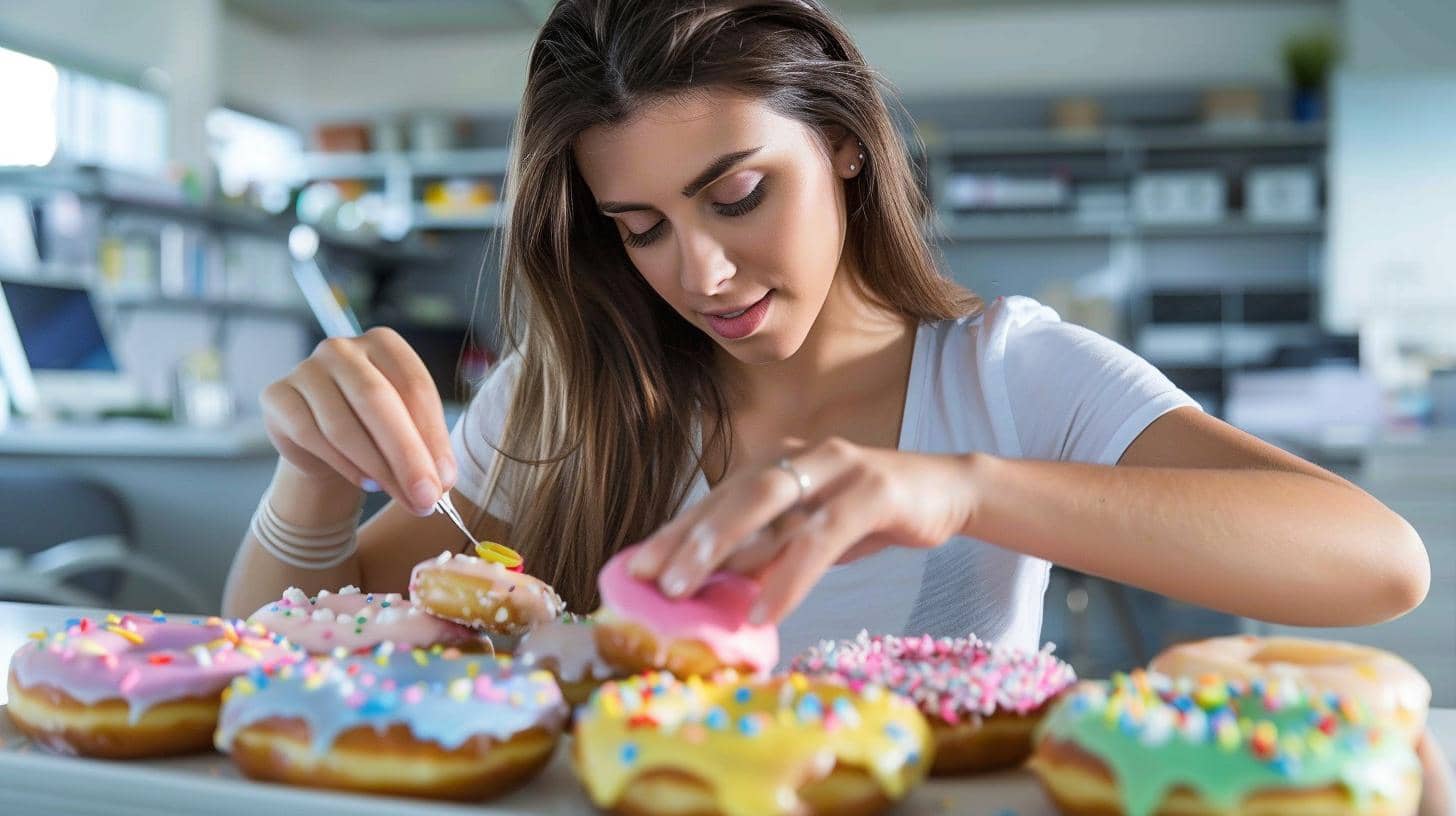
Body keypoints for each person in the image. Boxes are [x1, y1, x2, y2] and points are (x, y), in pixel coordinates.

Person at [223, 0, 1427, 667]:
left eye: (738, 195)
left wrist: (959, 491)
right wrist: (312, 483)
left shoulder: (1002, 371)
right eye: (638, 227)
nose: (697, 271)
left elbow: (1377, 562)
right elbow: (277, 646)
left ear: (843, 146)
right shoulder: (566, 394)